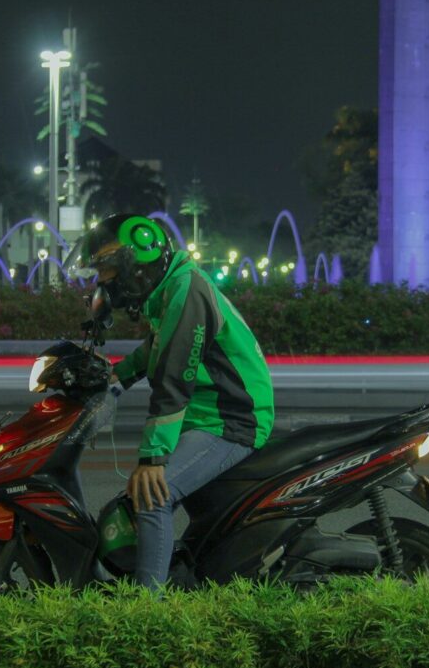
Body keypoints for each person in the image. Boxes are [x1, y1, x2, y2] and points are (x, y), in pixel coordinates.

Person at [65, 213, 274, 589]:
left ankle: (151, 612)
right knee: (131, 505)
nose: (102, 281)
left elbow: (173, 380)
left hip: (231, 420)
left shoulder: (186, 290)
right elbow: (158, 347)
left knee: (151, 497)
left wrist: (152, 460)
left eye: (107, 270)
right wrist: (117, 376)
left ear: (136, 264)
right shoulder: (170, 289)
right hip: (206, 414)